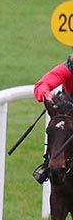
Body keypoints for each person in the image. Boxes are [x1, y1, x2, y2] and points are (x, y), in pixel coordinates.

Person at [31, 52, 73, 183]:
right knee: (59, 127)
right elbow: (42, 85)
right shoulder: (70, 66)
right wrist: (46, 94)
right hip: (70, 111)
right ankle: (50, 163)